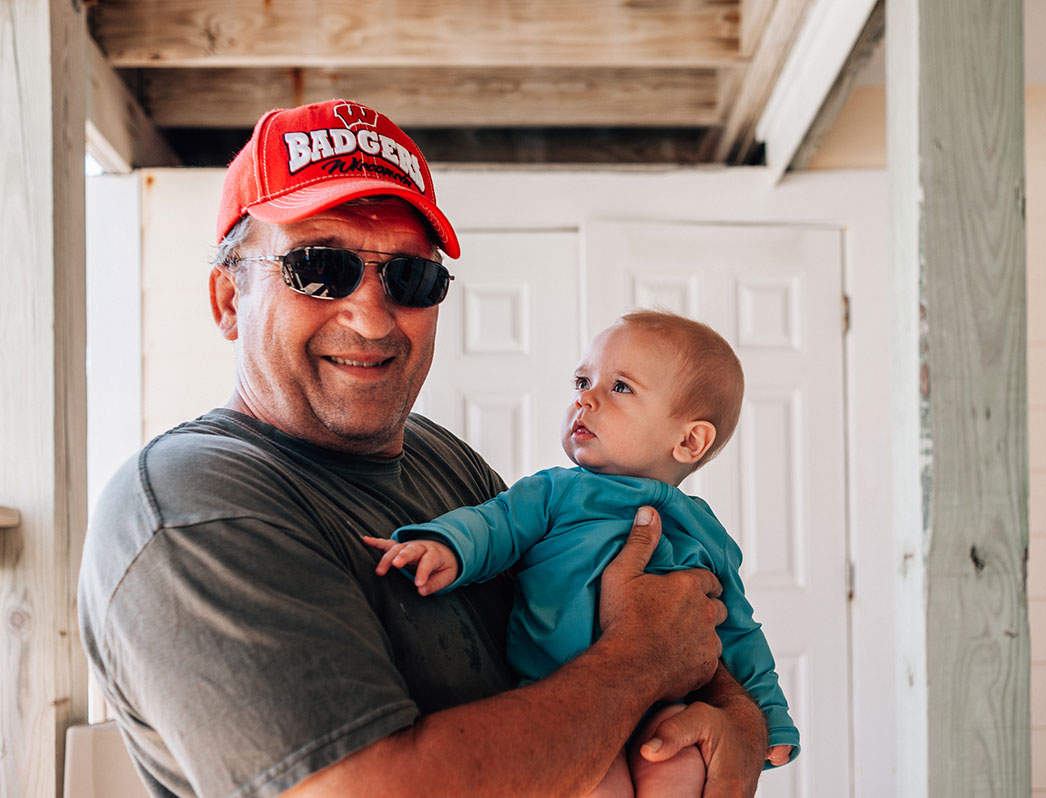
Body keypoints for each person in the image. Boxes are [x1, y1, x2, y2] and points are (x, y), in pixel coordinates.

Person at [77, 98, 771, 798]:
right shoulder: (193, 510)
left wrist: (740, 720)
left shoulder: (447, 462)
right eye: (320, 267)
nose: (373, 318)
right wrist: (639, 665)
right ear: (229, 297)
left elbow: (661, 620)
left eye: (410, 277)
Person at [364, 310, 798, 797]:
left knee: (679, 766)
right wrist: (446, 545)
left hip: (666, 707)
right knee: (594, 785)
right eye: (583, 379)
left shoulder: (705, 531)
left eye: (620, 388)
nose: (584, 398)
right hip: (562, 703)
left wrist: (769, 716)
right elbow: (494, 524)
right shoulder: (555, 492)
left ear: (689, 440)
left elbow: (737, 627)